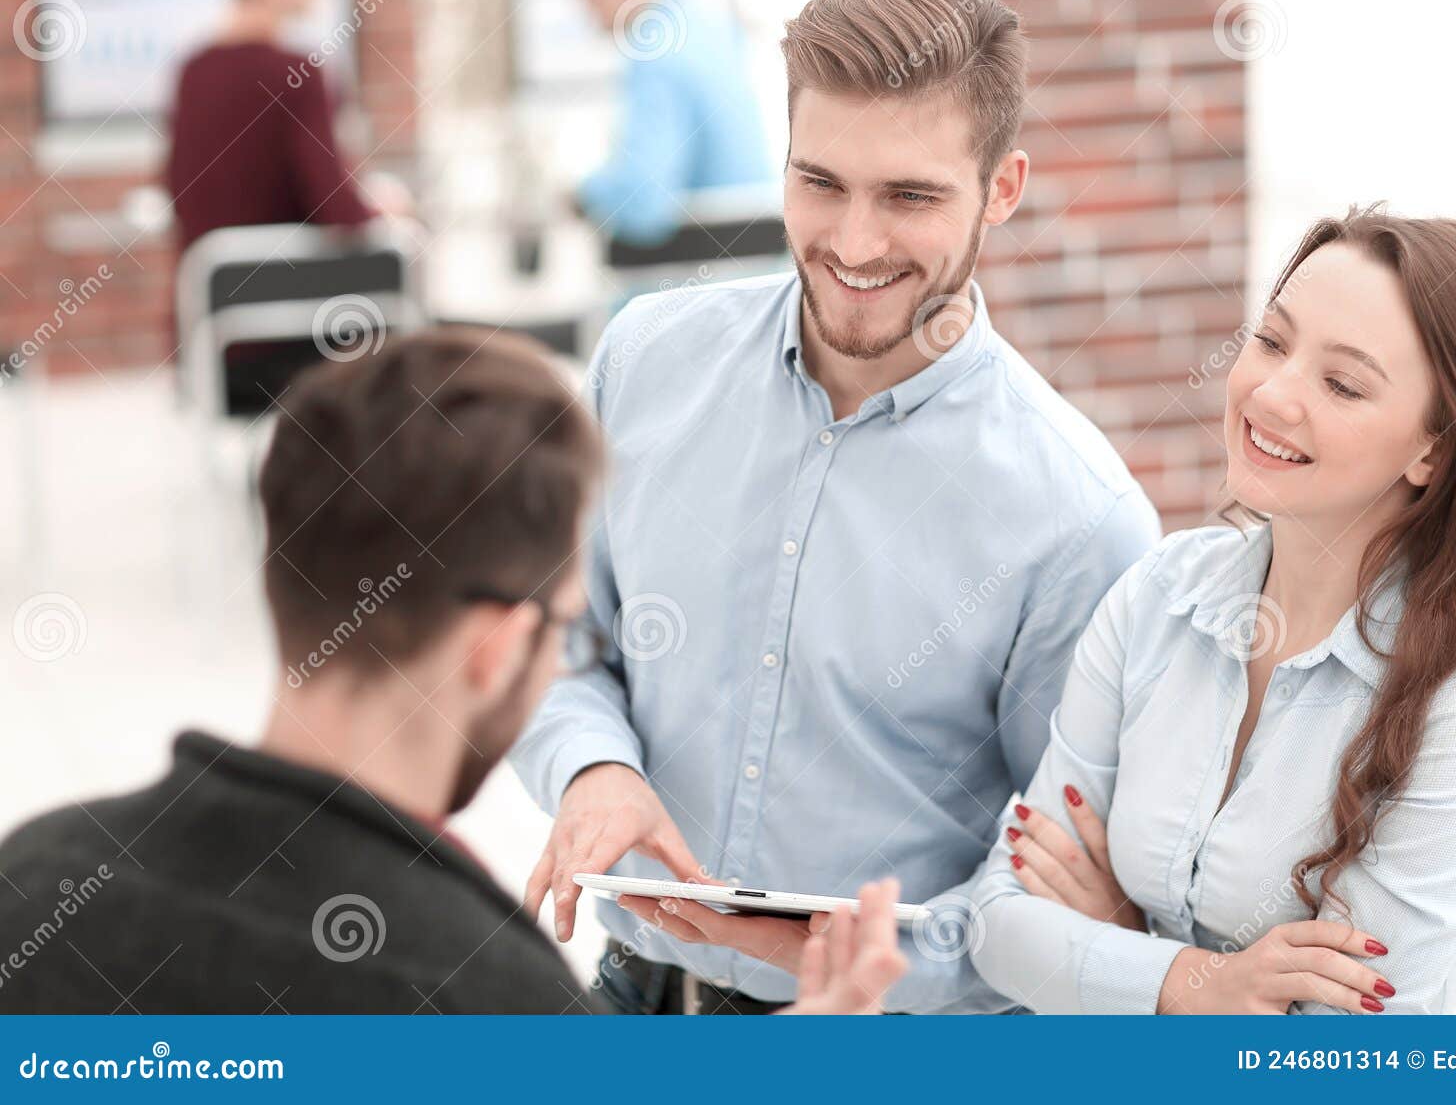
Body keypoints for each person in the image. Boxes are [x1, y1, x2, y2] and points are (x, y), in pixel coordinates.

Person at [512, 0, 1161, 1014]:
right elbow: (550, 632)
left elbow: (1063, 897)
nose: (854, 245)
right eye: (821, 184)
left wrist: (818, 957)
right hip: (628, 999)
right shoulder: (642, 362)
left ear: (1003, 187)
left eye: (909, 196)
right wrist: (591, 768)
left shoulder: (1080, 521)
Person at [0, 328, 905, 1014]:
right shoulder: (484, 992)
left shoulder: (35, 877)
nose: (562, 657)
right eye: (564, 631)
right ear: (497, 647)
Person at [970, 207, 1456, 1014]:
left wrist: (1112, 948)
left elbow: (1336, 1059)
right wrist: (1196, 983)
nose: (1273, 393)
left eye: (1343, 383)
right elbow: (999, 926)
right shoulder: (1157, 597)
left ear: (1432, 448)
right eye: (1272, 341)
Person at [163, 0, 400, 257]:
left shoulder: (192, 71)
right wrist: (385, 208)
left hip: (208, 303)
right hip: (289, 302)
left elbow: (182, 195)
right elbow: (338, 210)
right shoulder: (299, 73)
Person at [572, 0, 773, 247]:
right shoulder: (708, 25)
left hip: (703, 261)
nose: (588, 3)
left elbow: (644, 205)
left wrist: (581, 195)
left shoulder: (654, 46)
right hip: (753, 251)